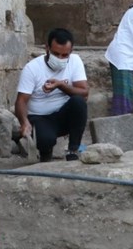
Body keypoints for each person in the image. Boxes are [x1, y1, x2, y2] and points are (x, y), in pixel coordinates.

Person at [15, 27, 89, 162]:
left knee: (78, 102)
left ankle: (73, 150)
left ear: (71, 52)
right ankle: (45, 153)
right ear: (47, 48)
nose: (60, 58)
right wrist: (24, 122)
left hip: (63, 115)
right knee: (45, 140)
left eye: (65, 55)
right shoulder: (32, 68)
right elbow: (21, 101)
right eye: (56, 54)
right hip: (40, 117)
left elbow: (84, 93)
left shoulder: (75, 61)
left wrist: (61, 85)